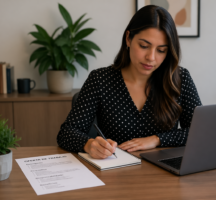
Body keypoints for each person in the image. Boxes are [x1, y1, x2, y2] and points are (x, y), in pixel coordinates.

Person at [57, 5, 202, 159]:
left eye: (161, 50)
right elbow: (66, 133)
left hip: (166, 175)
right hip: (116, 172)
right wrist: (88, 144)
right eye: (144, 46)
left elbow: (201, 131)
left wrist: (157, 140)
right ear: (128, 38)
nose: (151, 57)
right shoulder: (100, 79)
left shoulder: (180, 79)